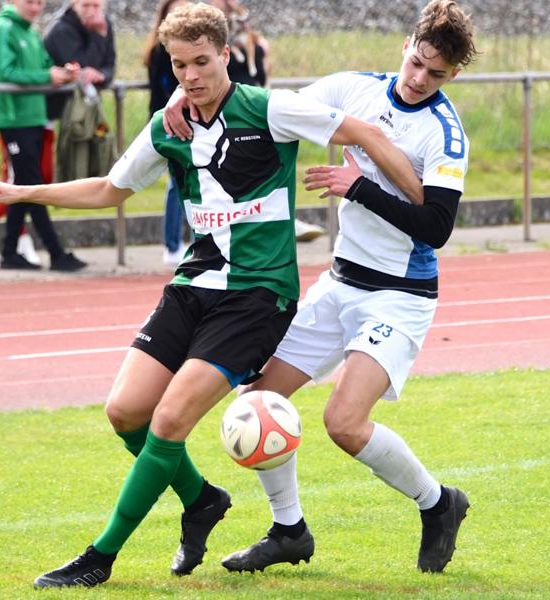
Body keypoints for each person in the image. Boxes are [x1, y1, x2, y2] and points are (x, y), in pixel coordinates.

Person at [0, 3, 423, 588]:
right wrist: (19, 190)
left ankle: (99, 558)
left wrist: (418, 199)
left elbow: (362, 131)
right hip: (192, 285)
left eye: (202, 62)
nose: (191, 76)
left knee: (171, 419)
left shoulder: (269, 109)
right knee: (125, 413)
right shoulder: (168, 125)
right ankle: (202, 499)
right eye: (179, 65)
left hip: (257, 295)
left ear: (225, 56)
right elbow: (109, 189)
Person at [166, 0, 479, 575]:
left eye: (435, 74)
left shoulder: (445, 134)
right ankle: (289, 530)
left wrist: (357, 187)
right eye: (416, 62)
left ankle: (439, 504)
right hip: (337, 286)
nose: (418, 79)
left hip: (399, 296)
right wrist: (183, 95)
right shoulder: (352, 88)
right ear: (406, 45)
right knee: (257, 401)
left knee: (344, 422)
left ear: (453, 75)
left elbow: (437, 226)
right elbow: (263, 108)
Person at [0, 0, 87, 272]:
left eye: (40, 2)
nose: (36, 7)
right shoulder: (3, 29)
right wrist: (46, 75)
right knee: (30, 182)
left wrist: (63, 73)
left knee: (26, 185)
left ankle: (11, 252)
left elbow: (42, 65)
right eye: (30, 1)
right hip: (13, 117)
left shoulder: (30, 30)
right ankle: (54, 252)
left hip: (33, 115)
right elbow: (6, 72)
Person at [208, 0, 326, 243]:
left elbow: (260, 75)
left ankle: (282, 222)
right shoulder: (210, 26)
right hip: (226, 114)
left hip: (255, 111)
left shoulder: (247, 29)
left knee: (268, 167)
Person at [142, 0, 192, 264]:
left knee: (193, 181)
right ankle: (172, 245)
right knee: (177, 183)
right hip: (172, 122)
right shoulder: (162, 50)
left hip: (192, 121)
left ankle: (197, 242)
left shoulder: (193, 46)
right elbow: (164, 86)